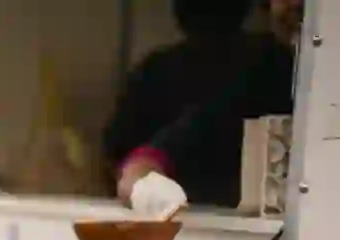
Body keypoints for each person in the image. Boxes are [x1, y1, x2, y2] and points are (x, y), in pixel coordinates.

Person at [118, 0, 302, 212]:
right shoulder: (265, 69)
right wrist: (146, 175)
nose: (291, 6)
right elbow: (196, 131)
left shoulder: (271, 61)